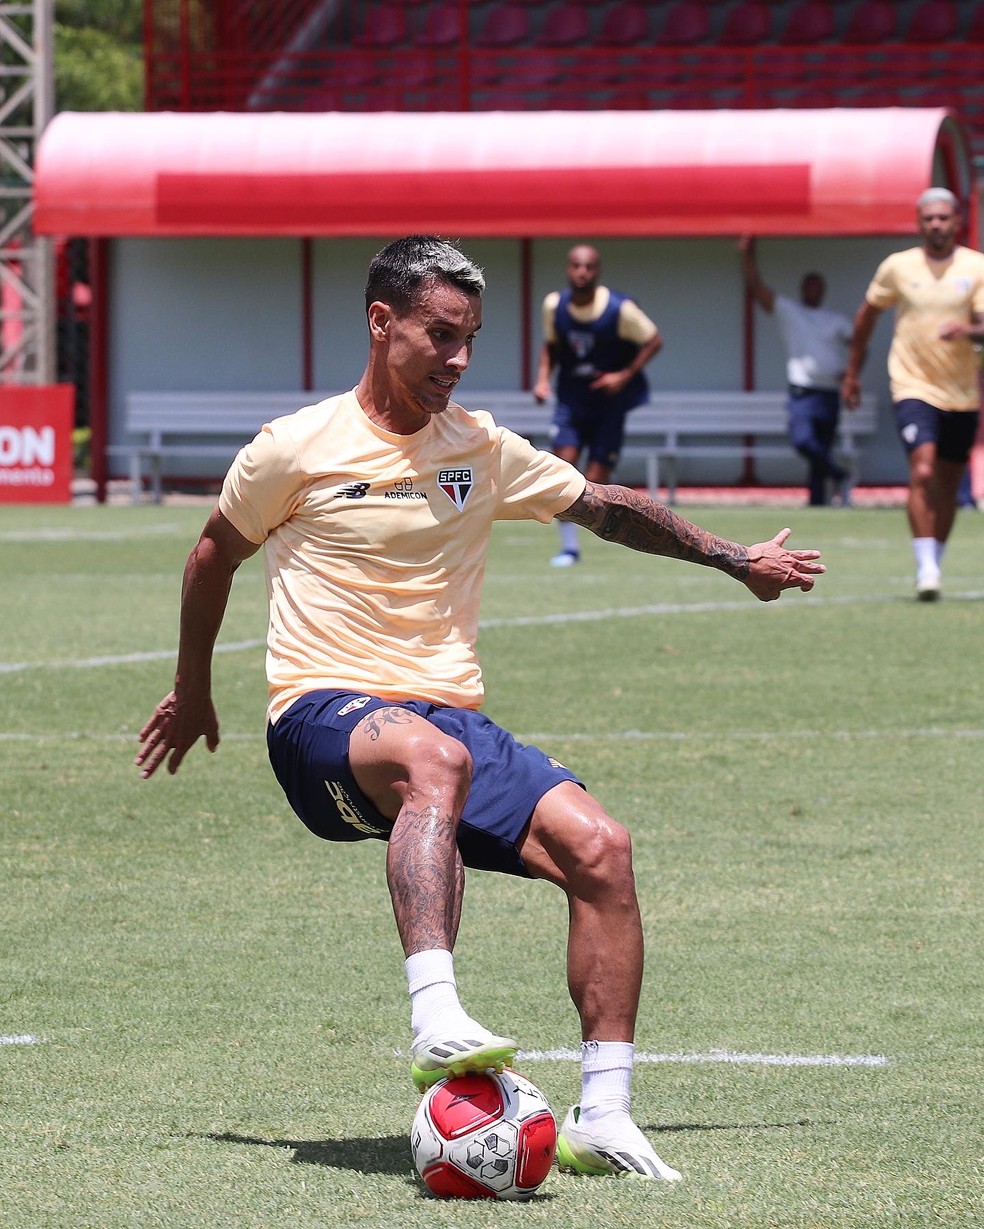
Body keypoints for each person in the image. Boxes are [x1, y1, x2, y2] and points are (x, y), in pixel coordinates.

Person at [136, 235, 824, 1183]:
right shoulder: (294, 446)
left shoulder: (480, 447)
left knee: (602, 847)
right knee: (436, 764)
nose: (459, 359)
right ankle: (435, 1017)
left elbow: (604, 505)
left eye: (473, 341)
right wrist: (195, 686)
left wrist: (733, 558)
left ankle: (607, 1114)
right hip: (319, 715)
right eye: (441, 336)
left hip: (445, 718)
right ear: (382, 325)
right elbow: (212, 555)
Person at [841, 187, 984, 600]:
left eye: (944, 218)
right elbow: (867, 316)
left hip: (960, 392)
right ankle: (925, 569)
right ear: (919, 222)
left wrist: (968, 331)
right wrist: (852, 373)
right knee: (923, 470)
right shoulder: (898, 267)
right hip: (912, 385)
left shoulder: (975, 267)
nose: (936, 225)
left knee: (949, 481)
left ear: (957, 221)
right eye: (929, 218)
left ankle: (934, 560)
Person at [534, 243, 663, 567]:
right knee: (563, 472)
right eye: (576, 266)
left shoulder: (619, 309)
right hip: (571, 402)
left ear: (597, 271)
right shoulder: (555, 306)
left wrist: (624, 374)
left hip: (608, 406)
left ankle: (612, 538)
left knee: (595, 481)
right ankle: (569, 548)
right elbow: (551, 346)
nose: (582, 272)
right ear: (567, 269)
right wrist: (542, 379)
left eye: (589, 266)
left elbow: (654, 340)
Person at [739, 235, 854, 507]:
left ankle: (818, 505)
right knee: (803, 441)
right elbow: (758, 288)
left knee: (820, 454)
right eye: (809, 287)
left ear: (822, 290)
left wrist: (851, 373)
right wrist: (746, 256)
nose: (813, 291)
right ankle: (839, 474)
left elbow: (858, 345)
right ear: (803, 289)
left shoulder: (835, 320)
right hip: (803, 393)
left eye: (817, 287)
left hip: (830, 394)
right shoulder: (790, 311)